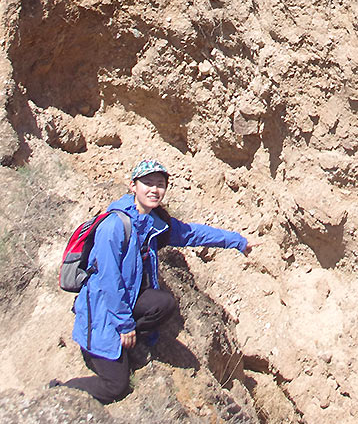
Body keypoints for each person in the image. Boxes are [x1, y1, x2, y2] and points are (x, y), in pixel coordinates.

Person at [53, 159, 252, 404]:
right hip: (101, 311)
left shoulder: (154, 222)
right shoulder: (115, 225)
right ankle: (61, 390)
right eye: (147, 183)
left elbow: (192, 233)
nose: (154, 189)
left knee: (164, 304)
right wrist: (124, 325)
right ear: (133, 186)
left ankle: (129, 343)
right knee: (115, 386)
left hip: (126, 299)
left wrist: (238, 241)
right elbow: (108, 281)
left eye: (160, 184)